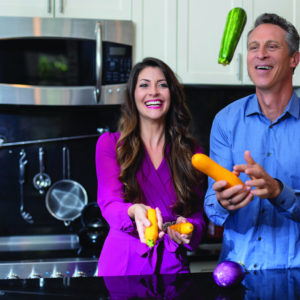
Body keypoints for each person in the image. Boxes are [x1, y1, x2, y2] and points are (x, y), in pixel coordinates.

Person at [205, 13, 300, 270]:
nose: (261, 54)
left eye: (272, 46)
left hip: (293, 275)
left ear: (294, 59)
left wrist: (279, 192)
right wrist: (224, 202)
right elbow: (212, 208)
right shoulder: (226, 121)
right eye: (253, 47)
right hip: (236, 272)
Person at [95, 57, 206, 276]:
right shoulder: (110, 145)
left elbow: (198, 214)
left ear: (172, 95)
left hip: (172, 267)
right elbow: (109, 203)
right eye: (144, 85)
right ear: (133, 95)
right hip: (123, 265)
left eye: (162, 85)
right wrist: (134, 210)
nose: (153, 92)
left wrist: (188, 228)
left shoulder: (192, 152)